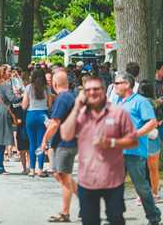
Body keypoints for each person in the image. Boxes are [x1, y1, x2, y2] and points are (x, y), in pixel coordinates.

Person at [60, 76, 137, 225]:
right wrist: (76, 107)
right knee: (90, 221)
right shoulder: (80, 114)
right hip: (87, 181)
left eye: (96, 89)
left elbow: (133, 141)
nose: (92, 93)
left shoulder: (118, 113)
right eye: (88, 90)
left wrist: (112, 142)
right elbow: (65, 134)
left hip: (113, 180)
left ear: (104, 90)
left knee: (116, 220)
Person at [113, 72, 161, 224]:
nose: (114, 85)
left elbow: (152, 122)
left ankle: (154, 216)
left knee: (141, 188)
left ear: (127, 84)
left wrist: (135, 134)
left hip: (135, 152)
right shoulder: (120, 102)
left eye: (117, 83)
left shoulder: (140, 102)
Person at [40, 69, 77, 223]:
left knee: (63, 176)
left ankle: (65, 213)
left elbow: (55, 123)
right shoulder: (69, 97)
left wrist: (44, 140)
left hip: (66, 142)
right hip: (64, 142)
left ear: (55, 84)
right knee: (59, 174)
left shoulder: (63, 98)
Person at [21, 69, 51, 177]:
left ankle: (32, 169)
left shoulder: (28, 88)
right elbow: (50, 105)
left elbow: (24, 106)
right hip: (42, 115)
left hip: (31, 115)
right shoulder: (47, 88)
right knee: (41, 143)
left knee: (32, 143)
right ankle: (40, 169)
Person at [138, 80, 161, 201]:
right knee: (154, 168)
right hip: (153, 137)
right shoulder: (156, 103)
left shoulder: (137, 103)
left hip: (140, 138)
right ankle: (155, 193)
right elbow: (158, 121)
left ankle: (140, 196)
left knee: (140, 169)